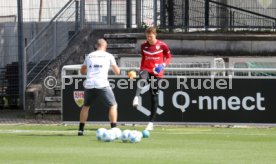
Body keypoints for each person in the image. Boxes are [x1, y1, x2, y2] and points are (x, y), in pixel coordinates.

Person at [78, 38, 120, 136]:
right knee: (113, 105)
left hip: (89, 83)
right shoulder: (109, 56)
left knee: (86, 106)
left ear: (96, 46)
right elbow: (117, 72)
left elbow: (82, 71)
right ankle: (114, 129)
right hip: (102, 84)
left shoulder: (89, 56)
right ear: (105, 46)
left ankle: (80, 130)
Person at [132, 26, 172, 131]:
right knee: (142, 78)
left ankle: (151, 123)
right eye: (147, 36)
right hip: (146, 69)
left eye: (151, 36)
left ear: (155, 35)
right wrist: (141, 69)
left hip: (156, 73)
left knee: (154, 97)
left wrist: (162, 65)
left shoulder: (162, 45)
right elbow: (143, 58)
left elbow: (168, 57)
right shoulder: (143, 46)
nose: (149, 38)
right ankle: (136, 97)